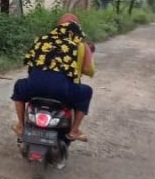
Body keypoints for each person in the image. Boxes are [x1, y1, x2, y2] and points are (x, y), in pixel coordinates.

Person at [12, 13, 95, 142]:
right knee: (87, 91)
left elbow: (30, 63)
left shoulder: (41, 40)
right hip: (61, 91)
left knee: (18, 86)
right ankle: (74, 131)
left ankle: (21, 125)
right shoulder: (74, 46)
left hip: (34, 87)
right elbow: (74, 70)